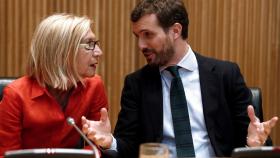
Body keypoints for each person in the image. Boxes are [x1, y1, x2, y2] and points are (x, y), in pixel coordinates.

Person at [81, 0, 279, 157]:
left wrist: (253, 143)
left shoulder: (225, 75)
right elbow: (129, 148)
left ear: (176, 31)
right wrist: (110, 141)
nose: (141, 45)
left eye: (148, 35)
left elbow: (257, 141)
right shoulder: (136, 84)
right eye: (137, 37)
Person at [0, 13, 108, 157]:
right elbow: (7, 155)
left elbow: (96, 149)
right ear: (62, 51)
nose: (98, 52)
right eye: (89, 44)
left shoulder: (95, 86)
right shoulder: (15, 94)